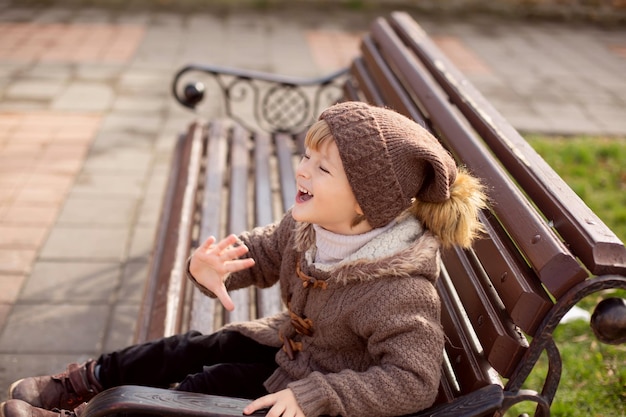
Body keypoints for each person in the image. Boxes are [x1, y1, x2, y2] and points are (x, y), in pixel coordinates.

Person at [1, 101, 487, 417]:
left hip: (313, 389)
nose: (303, 170)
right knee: (190, 347)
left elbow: (415, 380)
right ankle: (83, 382)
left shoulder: (400, 290)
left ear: (365, 200)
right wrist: (212, 266)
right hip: (290, 350)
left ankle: (90, 416)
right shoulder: (309, 227)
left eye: (322, 167)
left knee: (204, 385)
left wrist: (319, 397)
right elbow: (261, 252)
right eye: (305, 157)